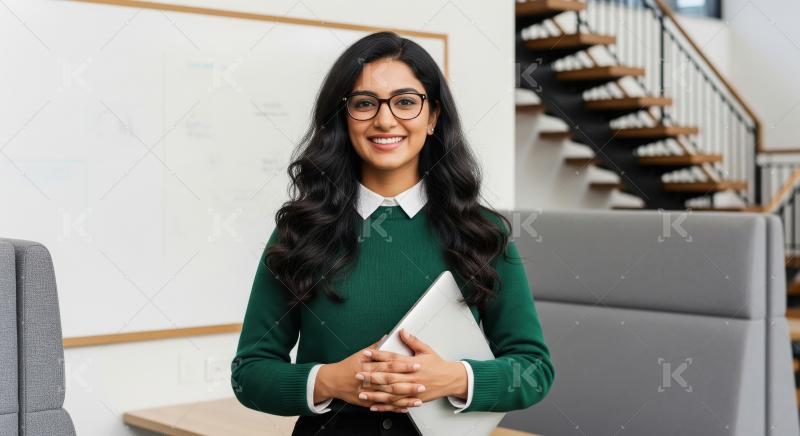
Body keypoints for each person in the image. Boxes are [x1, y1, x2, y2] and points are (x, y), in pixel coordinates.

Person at [231, 31, 555, 436]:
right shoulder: (299, 232)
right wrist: (330, 382)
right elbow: (250, 373)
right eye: (364, 104)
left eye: (406, 102)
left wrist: (454, 379)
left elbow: (534, 370)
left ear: (433, 116)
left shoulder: (482, 233)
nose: (385, 120)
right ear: (343, 117)